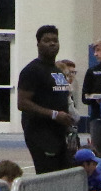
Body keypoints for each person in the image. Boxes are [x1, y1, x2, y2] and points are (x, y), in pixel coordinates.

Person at [16, 25, 75, 176]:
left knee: (63, 175)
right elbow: (22, 103)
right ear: (38, 44)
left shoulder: (57, 70)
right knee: (48, 177)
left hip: (60, 134)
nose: (52, 43)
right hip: (41, 134)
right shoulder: (32, 70)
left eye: (55, 40)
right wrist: (54, 114)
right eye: (47, 40)